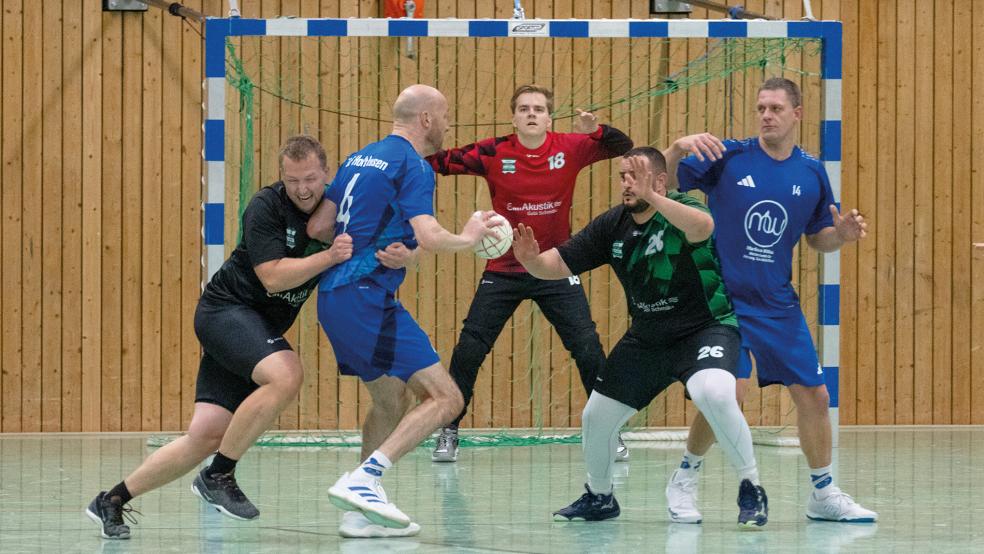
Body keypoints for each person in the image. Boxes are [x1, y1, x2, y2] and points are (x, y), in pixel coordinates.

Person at [85, 135, 361, 539]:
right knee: (286, 374)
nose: (302, 189)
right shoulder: (266, 207)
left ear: (327, 174)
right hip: (225, 312)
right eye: (292, 180)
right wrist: (330, 256)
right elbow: (271, 277)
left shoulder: (335, 212)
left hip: (252, 329)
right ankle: (219, 475)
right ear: (280, 177)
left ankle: (111, 501)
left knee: (207, 435)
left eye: (311, 179)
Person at [515, 146, 769, 528]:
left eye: (635, 176)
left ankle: (751, 487)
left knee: (715, 393)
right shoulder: (612, 225)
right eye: (622, 176)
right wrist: (532, 261)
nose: (626, 184)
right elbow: (560, 263)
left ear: (661, 180)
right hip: (648, 338)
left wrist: (655, 198)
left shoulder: (685, 209)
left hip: (705, 329)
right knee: (596, 417)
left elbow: (703, 228)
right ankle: (600, 496)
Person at [662, 77, 876, 524]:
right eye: (761, 108)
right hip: (724, 300)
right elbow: (659, 181)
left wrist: (843, 235)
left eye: (776, 108)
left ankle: (823, 493)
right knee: (728, 396)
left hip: (777, 303)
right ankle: (685, 477)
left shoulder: (811, 171)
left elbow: (818, 238)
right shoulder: (729, 157)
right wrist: (679, 147)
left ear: (797, 113)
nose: (766, 115)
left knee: (816, 396)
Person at [307, 84, 497, 535]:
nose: (449, 124)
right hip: (367, 296)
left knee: (392, 399)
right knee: (447, 398)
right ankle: (366, 480)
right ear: (426, 119)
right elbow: (431, 236)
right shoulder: (413, 165)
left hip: (334, 297)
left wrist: (396, 252)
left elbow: (319, 226)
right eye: (446, 114)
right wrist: (470, 237)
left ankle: (358, 511)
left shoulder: (358, 158)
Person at [427, 84, 633, 463]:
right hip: (504, 267)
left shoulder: (571, 146)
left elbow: (624, 146)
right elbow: (436, 162)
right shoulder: (492, 151)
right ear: (514, 117)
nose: (532, 114)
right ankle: (449, 430)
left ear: (549, 117)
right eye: (524, 108)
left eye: (539, 108)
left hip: (555, 266)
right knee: (470, 349)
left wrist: (595, 131)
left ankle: (609, 432)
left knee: (587, 348)